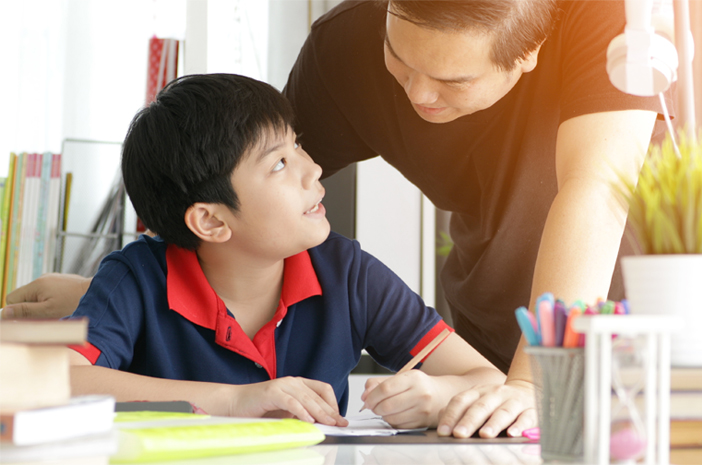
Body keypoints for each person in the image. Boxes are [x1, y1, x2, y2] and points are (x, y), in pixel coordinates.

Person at [3, 0, 670, 437]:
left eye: (451, 83)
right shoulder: (342, 53)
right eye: (398, 60)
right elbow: (220, 183)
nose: (413, 95)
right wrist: (112, 289)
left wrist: (533, 380)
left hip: (620, 341)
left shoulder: (615, 27)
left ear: (527, 58)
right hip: (498, 340)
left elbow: (593, 188)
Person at [66, 73, 512, 435]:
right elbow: (48, 383)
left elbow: (488, 379)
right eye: (278, 163)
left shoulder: (347, 273)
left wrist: (439, 396)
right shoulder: (136, 278)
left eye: (296, 144)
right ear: (212, 222)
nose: (313, 168)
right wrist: (233, 401)